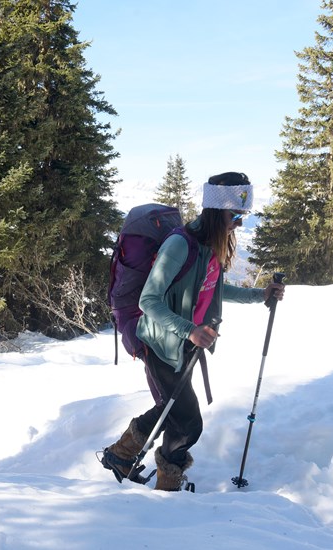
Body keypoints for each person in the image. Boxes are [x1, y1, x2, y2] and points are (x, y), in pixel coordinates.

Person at [101, 172, 285, 491]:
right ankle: (162, 481)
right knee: (188, 423)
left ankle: (124, 457)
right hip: (161, 342)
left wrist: (260, 295)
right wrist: (190, 330)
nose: (240, 222)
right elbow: (149, 300)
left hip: (184, 343)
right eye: (235, 215)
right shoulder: (179, 245)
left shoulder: (210, 246)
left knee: (171, 410)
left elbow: (214, 288)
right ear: (216, 210)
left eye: (243, 215)